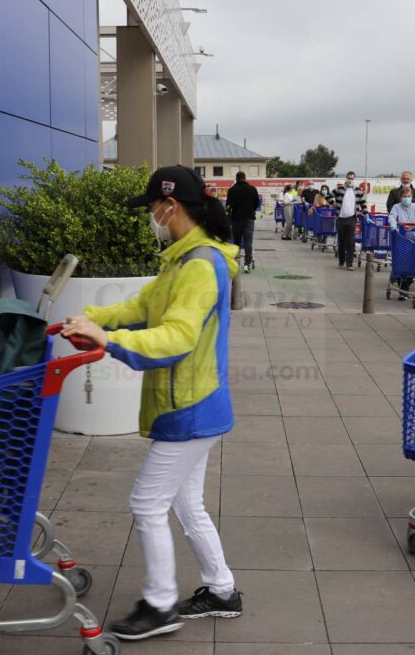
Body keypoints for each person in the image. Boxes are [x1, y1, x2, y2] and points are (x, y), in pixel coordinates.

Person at [62, 165, 243, 640]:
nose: (150, 216)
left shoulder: (200, 265)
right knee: (186, 505)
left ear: (171, 207)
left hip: (190, 405)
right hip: (193, 404)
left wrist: (107, 338)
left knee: (146, 504)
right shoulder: (181, 261)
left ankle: (161, 605)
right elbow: (140, 309)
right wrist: (92, 318)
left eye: (152, 208)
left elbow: (178, 337)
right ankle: (222, 590)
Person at [388, 185, 415, 298]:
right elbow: (392, 216)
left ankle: (405, 284)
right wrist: (393, 223)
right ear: (401, 197)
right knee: (404, 262)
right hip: (402, 238)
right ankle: (403, 286)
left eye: (409, 196)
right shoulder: (396, 207)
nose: (407, 198)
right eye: (405, 196)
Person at [226, 171, 261, 273]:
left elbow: (228, 206)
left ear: (236, 178)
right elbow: (256, 204)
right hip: (249, 219)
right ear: (245, 178)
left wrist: (228, 214)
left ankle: (236, 263)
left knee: (236, 242)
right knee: (248, 242)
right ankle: (247, 264)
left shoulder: (232, 190)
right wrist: (250, 209)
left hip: (236, 219)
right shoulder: (252, 189)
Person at [332, 171, 366, 269]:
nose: (350, 180)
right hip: (340, 218)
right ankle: (341, 260)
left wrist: (366, 213)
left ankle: (349, 263)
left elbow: (363, 203)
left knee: (351, 241)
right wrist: (332, 202)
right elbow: (328, 195)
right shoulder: (339, 189)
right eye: (349, 178)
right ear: (346, 178)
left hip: (352, 218)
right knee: (341, 241)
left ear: (354, 179)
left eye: (352, 178)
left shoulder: (358, 190)